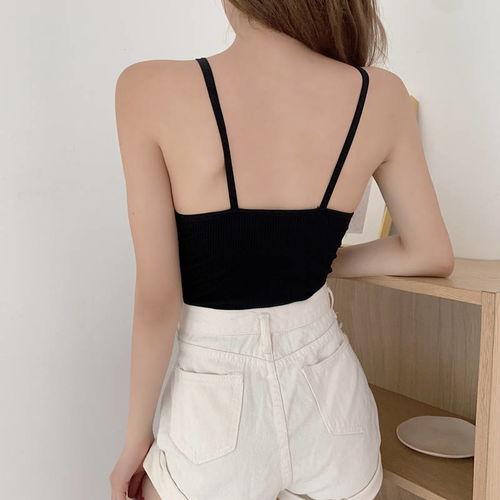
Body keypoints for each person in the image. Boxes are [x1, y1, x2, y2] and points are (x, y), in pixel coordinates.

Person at [110, 1, 454, 499]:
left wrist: (134, 442)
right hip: (333, 405)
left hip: (213, 409)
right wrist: (316, 260)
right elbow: (430, 254)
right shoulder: (381, 94)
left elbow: (158, 300)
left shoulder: (149, 88)